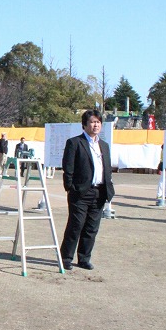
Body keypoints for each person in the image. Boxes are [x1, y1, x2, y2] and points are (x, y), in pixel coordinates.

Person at [60, 109, 114, 270]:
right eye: (92, 122)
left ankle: (84, 258)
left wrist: (108, 187)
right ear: (84, 125)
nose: (95, 125)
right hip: (80, 192)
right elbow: (68, 167)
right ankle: (66, 258)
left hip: (99, 192)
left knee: (92, 228)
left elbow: (107, 168)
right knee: (76, 225)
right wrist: (70, 187)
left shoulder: (104, 145)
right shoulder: (75, 142)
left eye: (98, 122)